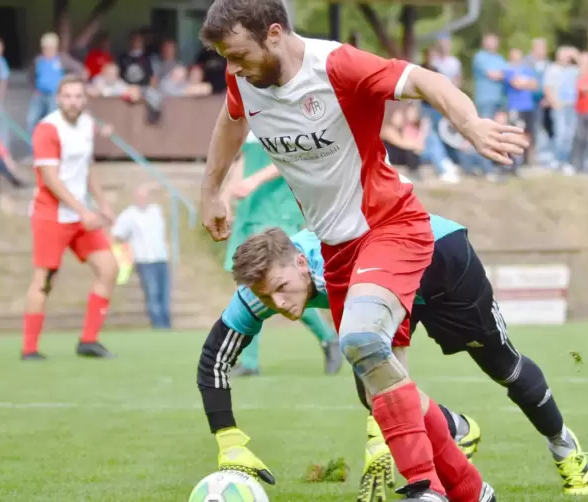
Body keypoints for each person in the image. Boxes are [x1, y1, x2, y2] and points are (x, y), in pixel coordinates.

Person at [198, 0, 527, 500]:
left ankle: (424, 489)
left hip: (391, 225)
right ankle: (474, 493)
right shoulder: (245, 79)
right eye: (225, 57)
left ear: (273, 34)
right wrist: (211, 190)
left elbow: (425, 81)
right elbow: (231, 120)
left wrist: (470, 124)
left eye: (238, 54)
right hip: (336, 249)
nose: (233, 68)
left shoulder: (335, 65)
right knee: (383, 382)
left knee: (358, 339)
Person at [198, 213, 588, 500]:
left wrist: (380, 437)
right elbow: (214, 358)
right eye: (267, 296)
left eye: (282, 287)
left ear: (302, 263)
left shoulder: (338, 259)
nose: (278, 303)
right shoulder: (262, 287)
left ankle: (566, 449)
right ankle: (456, 430)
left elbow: (390, 347)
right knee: (371, 386)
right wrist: (228, 440)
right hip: (386, 287)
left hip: (442, 262)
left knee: (503, 367)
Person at [222, 131, 341, 376]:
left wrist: (254, 180)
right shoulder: (248, 115)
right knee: (250, 286)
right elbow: (243, 159)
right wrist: (225, 198)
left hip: (277, 211)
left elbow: (293, 157)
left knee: (287, 285)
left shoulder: (281, 115)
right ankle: (250, 362)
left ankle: (327, 337)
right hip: (250, 210)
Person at [22, 74, 119, 361]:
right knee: (44, 279)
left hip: (81, 216)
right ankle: (30, 349)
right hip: (51, 215)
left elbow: (87, 167)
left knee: (109, 268)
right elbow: (50, 178)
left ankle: (88, 340)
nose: (73, 101)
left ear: (84, 99)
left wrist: (102, 204)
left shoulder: (87, 124)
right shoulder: (47, 129)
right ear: (58, 99)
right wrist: (83, 211)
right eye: (67, 96)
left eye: (78, 96)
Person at [112, 183, 172, 329]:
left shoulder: (155, 210)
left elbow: (164, 192)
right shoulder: (129, 215)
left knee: (164, 293)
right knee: (152, 292)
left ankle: (167, 324)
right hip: (144, 259)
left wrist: (150, 187)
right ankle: (158, 324)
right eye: (140, 196)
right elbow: (117, 235)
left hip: (161, 257)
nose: (143, 199)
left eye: (145, 196)